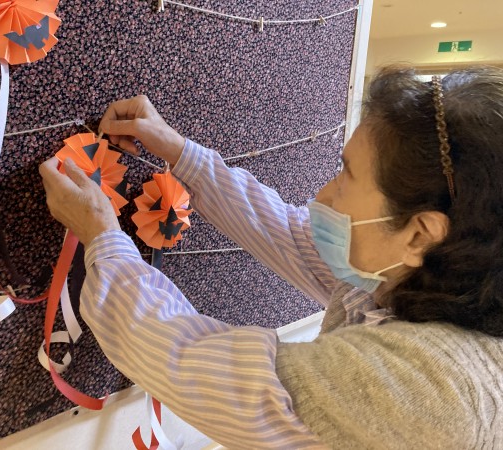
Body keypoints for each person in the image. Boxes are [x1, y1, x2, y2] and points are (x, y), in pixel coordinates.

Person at [39, 66, 503, 449]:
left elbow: (192, 365)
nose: (323, 196)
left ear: (421, 234)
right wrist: (179, 152)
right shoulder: (422, 276)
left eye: (346, 176)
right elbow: (287, 233)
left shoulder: (427, 389)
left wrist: (102, 236)